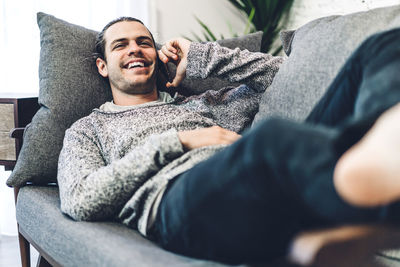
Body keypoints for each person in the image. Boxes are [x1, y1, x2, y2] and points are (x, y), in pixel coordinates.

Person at [57, 16, 400, 264]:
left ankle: (377, 165)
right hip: (175, 201)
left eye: (144, 42)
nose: (136, 49)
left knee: (385, 45)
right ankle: (375, 190)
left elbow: (290, 76)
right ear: (103, 66)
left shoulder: (205, 105)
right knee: (271, 140)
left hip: (265, 180)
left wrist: (201, 56)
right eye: (121, 45)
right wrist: (178, 142)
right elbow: (80, 199)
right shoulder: (89, 128)